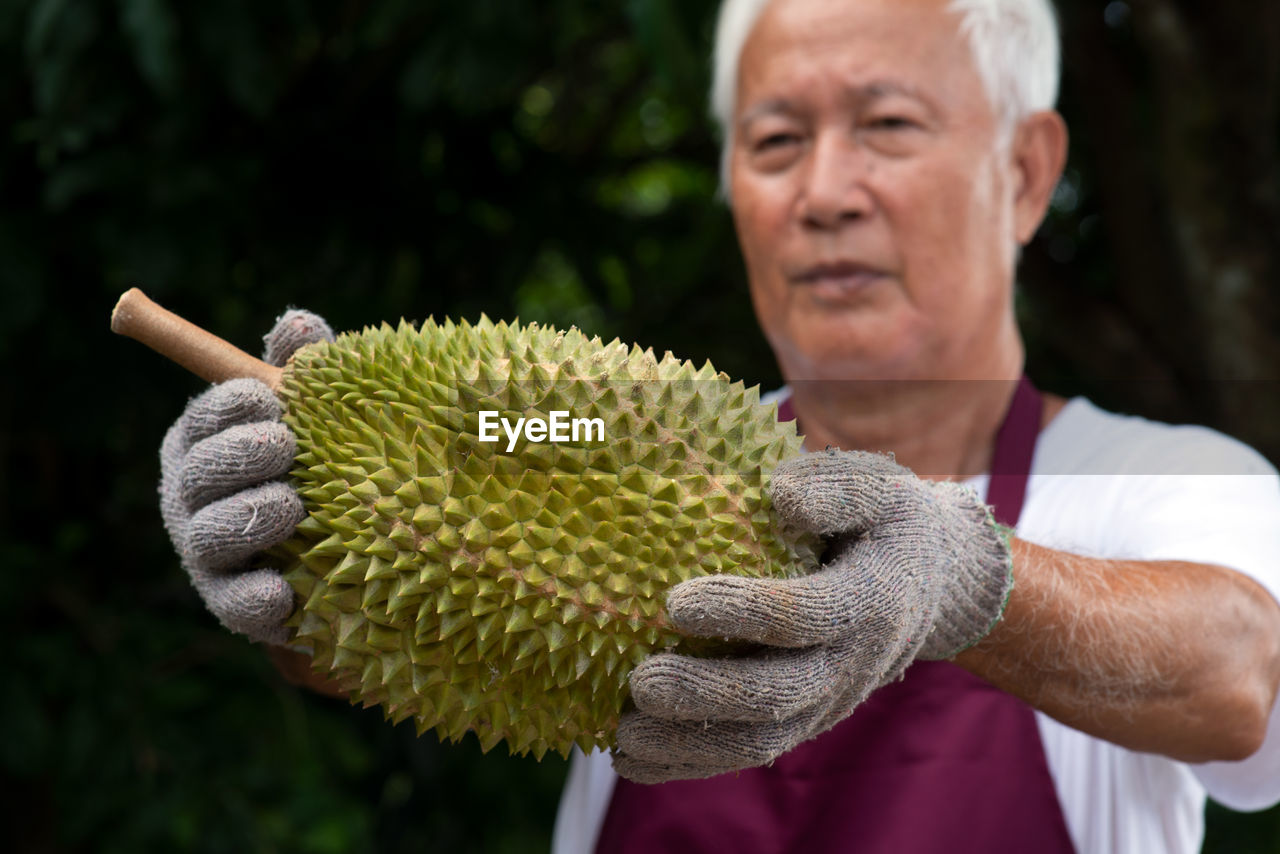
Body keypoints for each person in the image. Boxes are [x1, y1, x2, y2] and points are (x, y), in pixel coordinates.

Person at [157, 0, 1280, 851]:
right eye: (775, 141)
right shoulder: (610, 443)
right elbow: (469, 476)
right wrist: (292, 521)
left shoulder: (1152, 483)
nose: (824, 191)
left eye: (886, 124)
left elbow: (1240, 671)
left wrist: (962, 581)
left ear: (1026, 173)